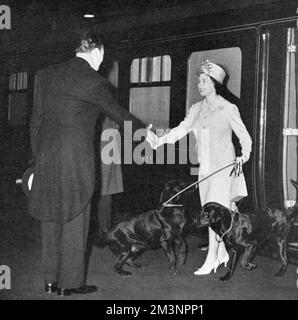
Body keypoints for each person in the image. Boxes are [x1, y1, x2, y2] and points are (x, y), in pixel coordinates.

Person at [29, 32, 145, 296]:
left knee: (50, 221)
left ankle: (50, 281)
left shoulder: (45, 76)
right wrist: (146, 131)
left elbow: (35, 123)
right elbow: (120, 116)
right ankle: (69, 284)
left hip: (46, 161)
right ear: (98, 52)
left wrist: (38, 160)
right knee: (74, 222)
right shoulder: (94, 81)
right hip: (75, 165)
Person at [146, 59, 252, 275]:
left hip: (224, 168)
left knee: (214, 214)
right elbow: (180, 130)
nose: (200, 84)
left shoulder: (228, 108)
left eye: (204, 80)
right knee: (212, 212)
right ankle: (222, 253)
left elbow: (245, 138)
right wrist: (158, 141)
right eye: (199, 81)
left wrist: (243, 156)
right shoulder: (196, 108)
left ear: (215, 83)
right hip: (205, 170)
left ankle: (212, 258)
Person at [96, 116, 124, 237]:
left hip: (104, 149)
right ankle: (104, 228)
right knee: (106, 191)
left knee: (105, 192)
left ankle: (103, 229)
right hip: (106, 149)